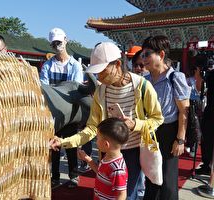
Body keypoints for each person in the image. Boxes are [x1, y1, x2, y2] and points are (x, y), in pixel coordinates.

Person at [49, 42, 164, 199]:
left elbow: (157, 119)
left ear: (117, 64)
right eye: (97, 73)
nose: (99, 76)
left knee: (128, 195)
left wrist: (136, 124)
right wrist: (63, 142)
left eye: (102, 71)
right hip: (107, 152)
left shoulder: (142, 86)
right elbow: (91, 128)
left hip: (133, 152)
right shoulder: (101, 91)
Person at [141, 35, 191, 200]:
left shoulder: (175, 78)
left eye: (147, 54)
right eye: (142, 55)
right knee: (151, 175)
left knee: (168, 180)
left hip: (169, 133)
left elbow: (184, 111)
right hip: (150, 132)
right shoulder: (145, 80)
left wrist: (180, 139)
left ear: (161, 55)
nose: (143, 58)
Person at [41, 28, 84, 188]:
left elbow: (76, 88)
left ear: (66, 40)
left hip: (71, 111)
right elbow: (43, 87)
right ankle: (55, 176)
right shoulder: (47, 65)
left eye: (59, 42)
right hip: (53, 111)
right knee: (54, 145)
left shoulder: (75, 66)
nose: (57, 45)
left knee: (71, 144)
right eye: (54, 43)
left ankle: (73, 175)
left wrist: (56, 91)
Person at [77, 118, 129, 200]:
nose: (96, 141)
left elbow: (121, 194)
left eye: (97, 138)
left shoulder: (117, 169)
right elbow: (100, 172)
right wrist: (88, 159)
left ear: (106, 144)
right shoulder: (108, 156)